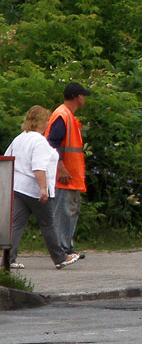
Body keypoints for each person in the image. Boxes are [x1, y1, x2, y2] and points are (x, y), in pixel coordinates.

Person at [6, 105, 80, 269]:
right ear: (41, 122)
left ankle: (8, 258)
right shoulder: (39, 141)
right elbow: (38, 167)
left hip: (18, 187)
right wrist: (43, 189)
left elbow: (8, 158)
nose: (48, 124)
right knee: (48, 224)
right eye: (46, 120)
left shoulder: (19, 138)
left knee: (16, 223)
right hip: (34, 189)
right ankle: (60, 258)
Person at [48, 81, 91, 260]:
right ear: (77, 97)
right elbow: (51, 143)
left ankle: (67, 247)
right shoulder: (63, 115)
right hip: (64, 176)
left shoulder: (67, 116)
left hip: (70, 176)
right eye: (83, 96)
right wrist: (61, 167)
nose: (84, 99)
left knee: (70, 210)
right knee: (63, 211)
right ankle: (62, 249)